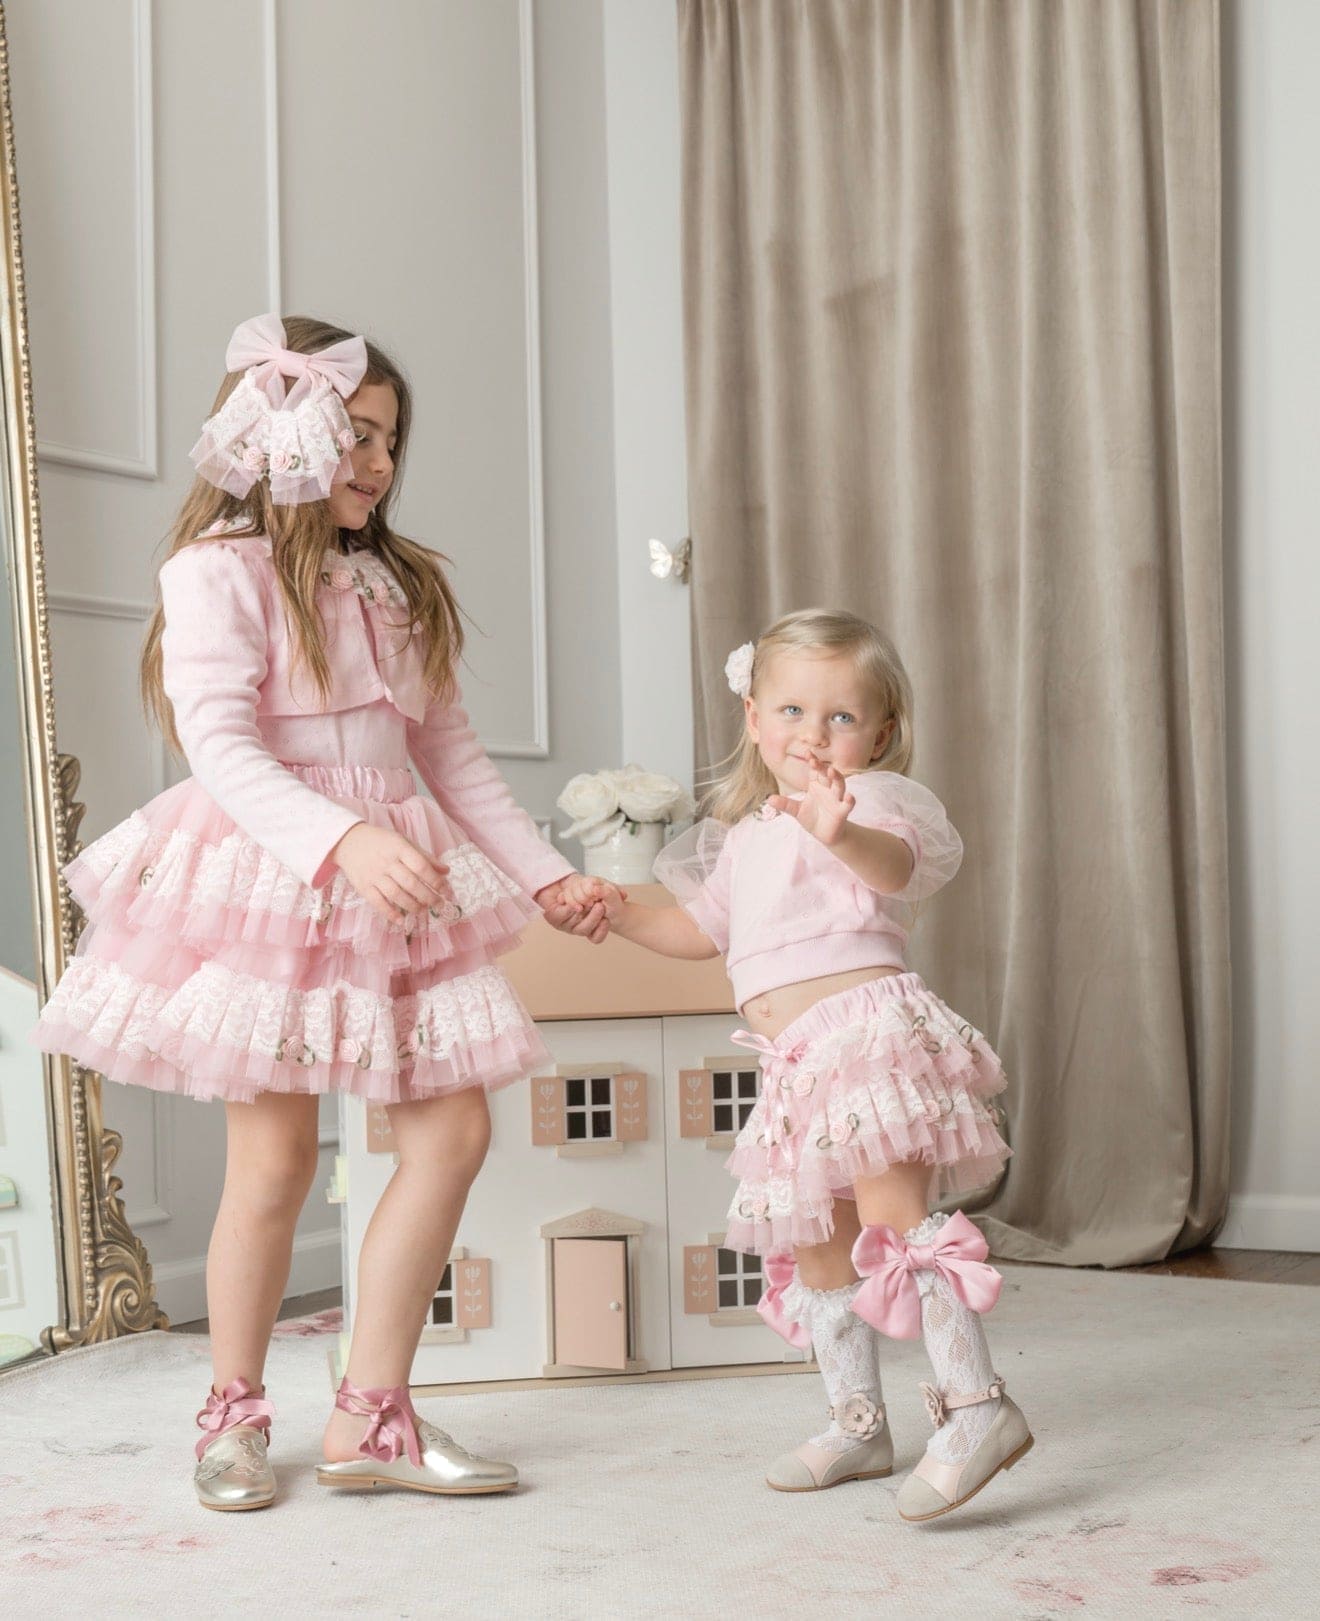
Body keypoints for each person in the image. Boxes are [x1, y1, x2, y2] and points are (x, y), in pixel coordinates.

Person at [32, 314, 605, 1510]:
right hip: (278, 875)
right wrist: (342, 840)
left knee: (451, 1134)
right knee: (277, 1155)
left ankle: (370, 1412)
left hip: (407, 875)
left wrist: (544, 872)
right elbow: (222, 746)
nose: (378, 460)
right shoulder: (215, 572)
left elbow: (453, 758)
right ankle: (234, 1411)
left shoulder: (401, 583)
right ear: (278, 430)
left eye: (390, 439)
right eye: (353, 433)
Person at [585, 609, 1030, 1522]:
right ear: (753, 718)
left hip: (866, 1037)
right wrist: (616, 912)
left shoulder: (871, 803)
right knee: (816, 1241)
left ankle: (978, 1404)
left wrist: (840, 830)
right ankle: (857, 1420)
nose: (813, 735)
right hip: (793, 1066)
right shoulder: (744, 833)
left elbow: (900, 869)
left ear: (880, 733)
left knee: (893, 1218)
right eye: (791, 711)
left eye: (840, 717)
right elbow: (696, 930)